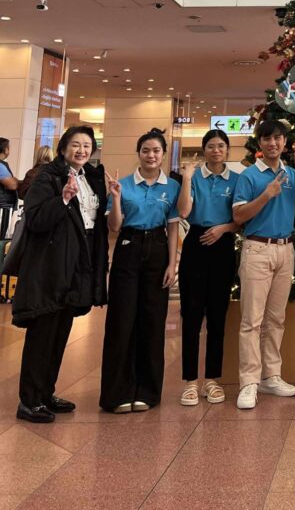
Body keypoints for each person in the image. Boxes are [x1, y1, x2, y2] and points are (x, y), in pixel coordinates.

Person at [12, 125, 108, 423]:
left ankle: (46, 393)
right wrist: (63, 199)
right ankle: (29, 401)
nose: (82, 150)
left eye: (87, 145)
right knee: (43, 333)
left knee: (60, 332)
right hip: (50, 266)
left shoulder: (90, 178)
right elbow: (36, 219)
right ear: (63, 147)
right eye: (75, 144)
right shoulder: (48, 177)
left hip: (77, 264)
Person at [99, 128, 180, 413]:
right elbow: (114, 226)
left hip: (158, 249)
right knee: (121, 320)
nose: (151, 155)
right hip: (128, 247)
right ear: (139, 153)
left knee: (153, 321)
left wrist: (172, 263)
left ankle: (148, 391)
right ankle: (117, 393)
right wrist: (116, 198)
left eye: (156, 150)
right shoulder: (122, 184)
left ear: (163, 155)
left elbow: (173, 227)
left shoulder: (172, 187)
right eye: (146, 150)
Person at [232, 119, 295, 409]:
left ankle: (271, 376)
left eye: (278, 138)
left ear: (284, 142)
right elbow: (238, 216)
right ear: (259, 143)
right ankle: (249, 382)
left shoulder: (293, 174)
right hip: (257, 248)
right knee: (252, 321)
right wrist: (266, 194)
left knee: (276, 319)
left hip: (286, 250)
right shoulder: (249, 176)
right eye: (267, 138)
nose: (273, 143)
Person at [177, 129, 239, 406]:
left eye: (221, 146)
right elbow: (184, 212)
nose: (216, 150)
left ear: (227, 150)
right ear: (204, 150)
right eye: (211, 146)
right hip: (195, 243)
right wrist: (187, 178)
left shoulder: (237, 180)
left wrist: (223, 229)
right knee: (191, 315)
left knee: (217, 315)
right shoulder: (194, 178)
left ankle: (212, 379)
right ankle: (190, 381)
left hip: (223, 245)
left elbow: (243, 218)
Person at [0, 138, 19, 239]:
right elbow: (12, 185)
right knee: (1, 237)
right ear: (5, 149)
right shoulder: (0, 165)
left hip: (4, 207)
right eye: (9, 147)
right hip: (3, 207)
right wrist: (18, 181)